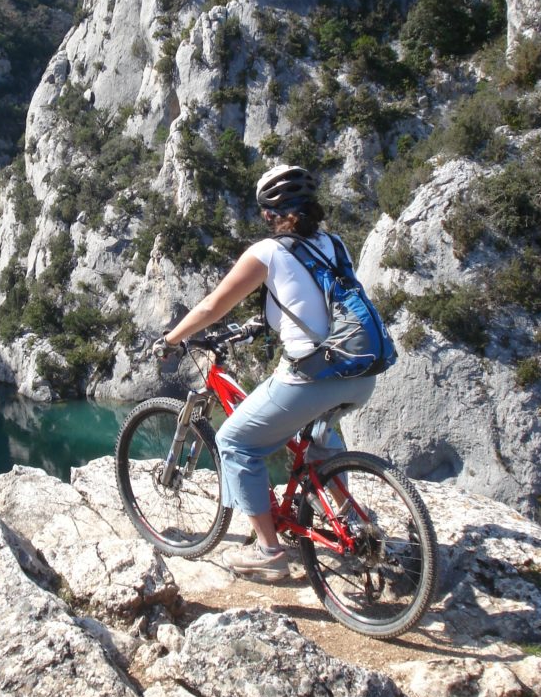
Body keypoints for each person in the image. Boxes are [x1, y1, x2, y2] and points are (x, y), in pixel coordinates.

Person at [152, 164, 376, 580]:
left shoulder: (267, 252)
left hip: (313, 377)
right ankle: (352, 520)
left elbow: (211, 308)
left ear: (270, 213)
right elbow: (322, 304)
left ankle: (270, 553)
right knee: (317, 446)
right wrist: (261, 324)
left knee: (235, 442)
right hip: (361, 371)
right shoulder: (335, 243)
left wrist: (171, 339)